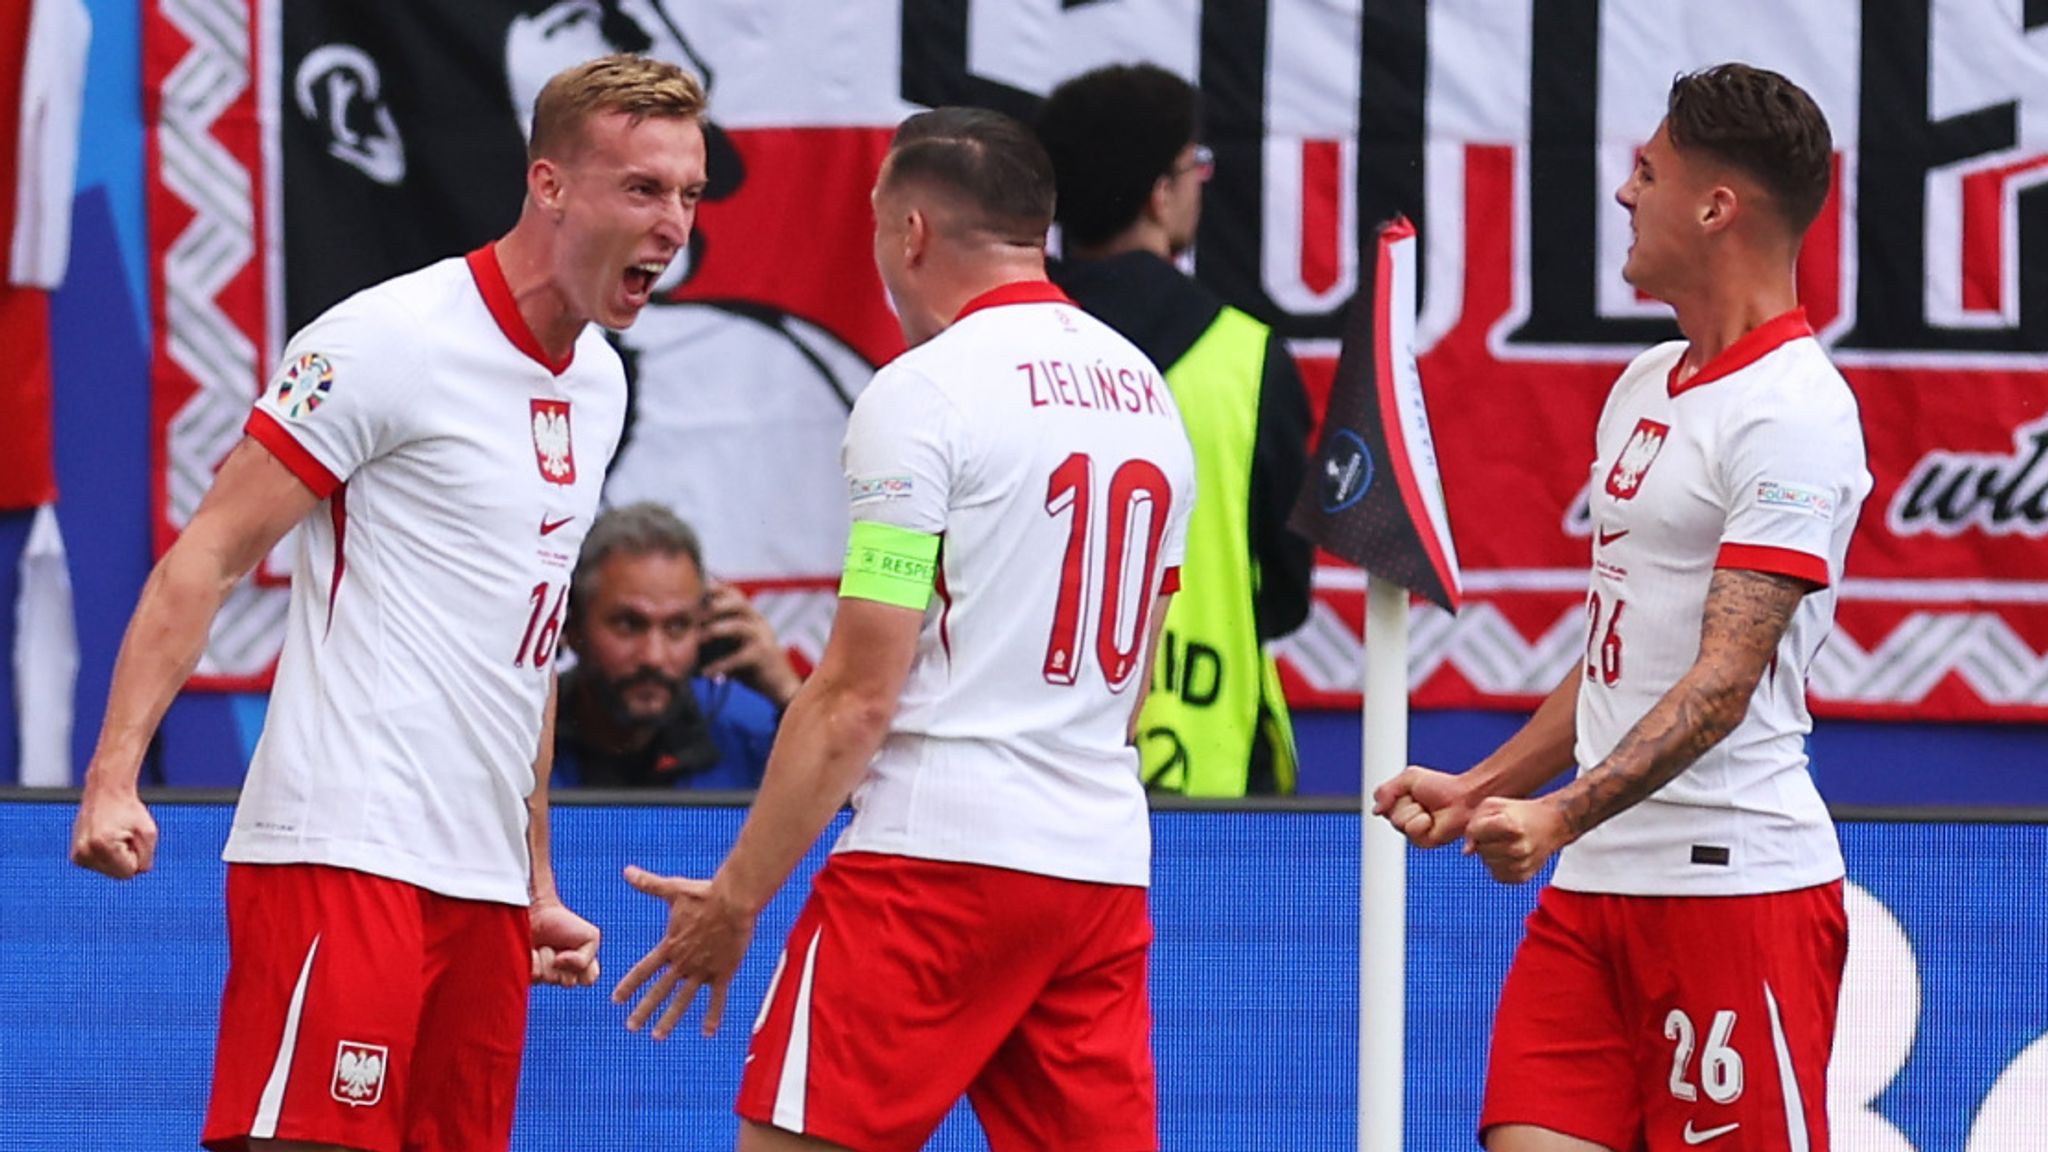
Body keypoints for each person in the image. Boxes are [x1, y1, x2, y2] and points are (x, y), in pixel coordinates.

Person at [67, 54, 710, 1152]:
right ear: (549, 185)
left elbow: (528, 645)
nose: (673, 225)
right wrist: (113, 776)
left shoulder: (597, 382)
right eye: (642, 190)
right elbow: (207, 558)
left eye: (688, 195)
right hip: (341, 850)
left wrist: (535, 878)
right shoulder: (385, 340)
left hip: (482, 893)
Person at [612, 107, 1196, 1152]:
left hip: (935, 865)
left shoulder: (924, 394)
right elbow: (1134, 679)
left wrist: (737, 897)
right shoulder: (1145, 395)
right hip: (1098, 868)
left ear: (912, 232)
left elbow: (854, 694)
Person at [1373, 64, 1869, 1151]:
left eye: (1644, 171)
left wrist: (1555, 816)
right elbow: (1618, 665)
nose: (1621, 194)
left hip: (1732, 893)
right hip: (1590, 890)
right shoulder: (1643, 382)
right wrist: (1484, 786)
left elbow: (1721, 682)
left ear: (1714, 208)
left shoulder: (1793, 413)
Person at [1034, 63, 1314, 797]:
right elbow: (1284, 594)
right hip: (1211, 755)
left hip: (1031, 759)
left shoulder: (1004, 346)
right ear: (1162, 193)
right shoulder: (1249, 359)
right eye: (1195, 166)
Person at [554, 501, 799, 789]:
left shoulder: (753, 736)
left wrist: (790, 695)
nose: (654, 657)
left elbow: (857, 809)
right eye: (628, 625)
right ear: (572, 625)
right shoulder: (522, 741)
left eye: (677, 626)